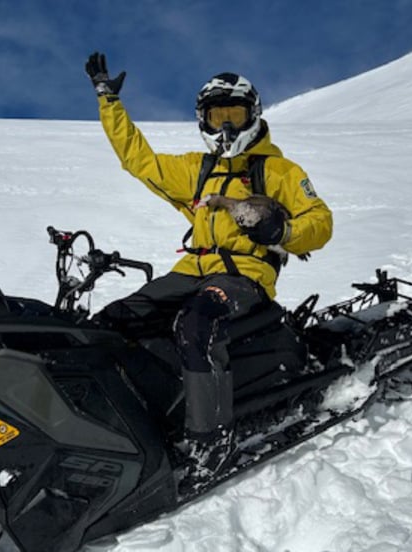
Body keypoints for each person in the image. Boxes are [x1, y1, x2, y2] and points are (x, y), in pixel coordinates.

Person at [84, 52, 333, 483]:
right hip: (189, 270)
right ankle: (126, 425)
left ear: (252, 115)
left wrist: (281, 229)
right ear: (204, 118)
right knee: (111, 323)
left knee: (198, 324)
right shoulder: (199, 171)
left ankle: (211, 439)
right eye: (218, 115)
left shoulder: (276, 171)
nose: (227, 127)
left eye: (234, 114)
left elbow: (320, 222)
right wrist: (109, 101)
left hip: (244, 275)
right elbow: (138, 160)